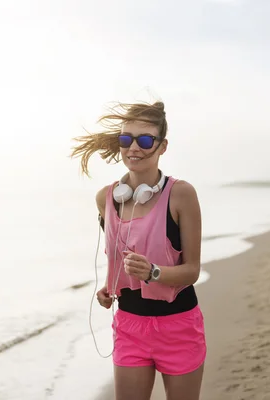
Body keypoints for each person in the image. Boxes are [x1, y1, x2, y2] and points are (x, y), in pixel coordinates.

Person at [70, 100, 207, 400]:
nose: (134, 147)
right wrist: (110, 287)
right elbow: (121, 259)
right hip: (130, 324)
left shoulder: (181, 194)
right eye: (126, 139)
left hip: (178, 326)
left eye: (145, 140)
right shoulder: (105, 198)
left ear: (162, 146)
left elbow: (192, 270)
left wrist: (153, 272)